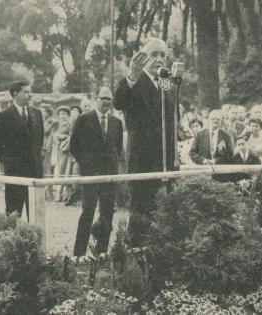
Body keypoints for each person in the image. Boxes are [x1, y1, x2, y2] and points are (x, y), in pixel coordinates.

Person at [114, 37, 179, 247]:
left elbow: (172, 112)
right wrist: (131, 76)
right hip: (143, 159)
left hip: (166, 160)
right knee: (141, 214)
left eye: (163, 55)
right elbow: (119, 102)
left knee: (164, 214)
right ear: (143, 57)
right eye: (154, 54)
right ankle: (134, 259)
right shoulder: (136, 79)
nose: (159, 59)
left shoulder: (166, 81)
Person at [70, 87, 123, 257]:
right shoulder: (84, 119)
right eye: (103, 98)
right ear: (96, 99)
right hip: (90, 175)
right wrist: (88, 164)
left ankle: (102, 251)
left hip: (109, 176)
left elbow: (118, 149)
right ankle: (79, 253)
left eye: (109, 99)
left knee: (107, 213)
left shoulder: (116, 122)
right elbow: (74, 147)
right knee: (88, 212)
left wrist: (112, 166)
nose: (106, 101)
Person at [0, 81, 44, 219]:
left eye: (30, 91)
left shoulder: (36, 114)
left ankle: (36, 240)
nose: (30, 95)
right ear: (15, 94)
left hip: (35, 172)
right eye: (26, 92)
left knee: (35, 212)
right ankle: (13, 241)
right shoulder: (4, 116)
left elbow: (39, 140)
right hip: (15, 173)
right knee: (14, 213)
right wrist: (10, 163)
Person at [53, 106, 72, 202]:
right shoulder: (59, 124)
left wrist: (61, 136)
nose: (62, 116)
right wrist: (57, 136)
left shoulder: (69, 124)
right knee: (59, 170)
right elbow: (54, 135)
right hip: (59, 150)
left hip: (66, 150)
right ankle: (59, 193)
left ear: (68, 115)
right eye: (61, 114)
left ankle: (61, 193)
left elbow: (70, 136)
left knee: (64, 171)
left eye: (64, 114)